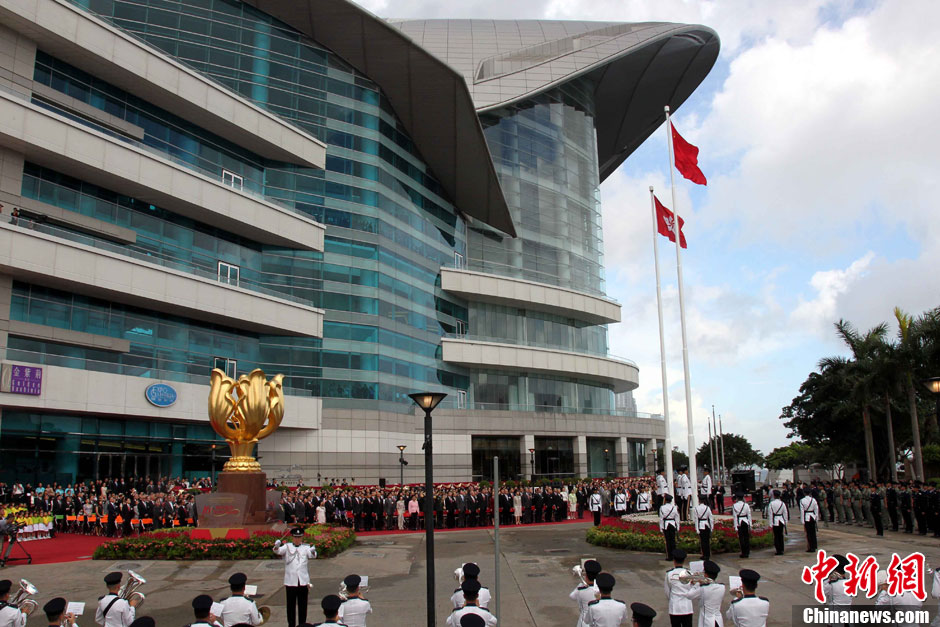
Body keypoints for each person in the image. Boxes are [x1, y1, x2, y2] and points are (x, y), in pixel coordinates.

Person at [274, 527, 317, 627]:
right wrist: (276, 546)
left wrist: (313, 551)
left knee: (303, 606)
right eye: (295, 537)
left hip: (303, 581)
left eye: (299, 537)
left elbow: (312, 555)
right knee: (290, 606)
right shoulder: (287, 546)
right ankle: (291, 625)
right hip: (291, 581)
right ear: (292, 537)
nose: (297, 539)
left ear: (302, 537)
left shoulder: (305, 547)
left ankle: (302, 624)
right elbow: (278, 551)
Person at [683, 560, 724, 627]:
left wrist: (697, 584)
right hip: (718, 621)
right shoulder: (722, 587)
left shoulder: (703, 589)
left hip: (706, 622)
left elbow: (689, 595)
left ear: (706, 575)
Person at [665, 548, 694, 627]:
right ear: (684, 560)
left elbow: (667, 591)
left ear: (674, 560)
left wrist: (672, 599)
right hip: (687, 607)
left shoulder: (669, 574)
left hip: (675, 607)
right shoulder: (690, 573)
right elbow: (693, 588)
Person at [569, 559, 602, 627]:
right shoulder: (602, 587)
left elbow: (572, 596)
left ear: (586, 575)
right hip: (599, 620)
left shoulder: (581, 588)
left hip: (585, 622)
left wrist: (581, 584)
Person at [659, 494, 680, 561]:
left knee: (668, 541)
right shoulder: (674, 507)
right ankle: (674, 555)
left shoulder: (662, 507)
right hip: (673, 524)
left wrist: (661, 527)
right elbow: (677, 518)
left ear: (665, 500)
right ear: (671, 500)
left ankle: (669, 556)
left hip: (666, 525)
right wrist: (678, 526)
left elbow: (661, 518)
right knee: (673, 540)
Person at [731, 493, 752, 559]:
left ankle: (743, 552)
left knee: (741, 538)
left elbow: (735, 516)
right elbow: (749, 515)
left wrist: (735, 526)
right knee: (746, 537)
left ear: (737, 498)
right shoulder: (746, 505)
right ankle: (747, 552)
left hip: (739, 522)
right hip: (745, 521)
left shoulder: (734, 505)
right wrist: (750, 524)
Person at [767, 490, 788, 556]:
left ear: (774, 496)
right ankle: (782, 549)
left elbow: (770, 514)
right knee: (781, 535)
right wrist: (785, 522)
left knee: (776, 536)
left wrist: (770, 524)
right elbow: (785, 513)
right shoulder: (782, 503)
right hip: (781, 520)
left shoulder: (771, 503)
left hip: (775, 520)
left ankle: (778, 549)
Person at [799, 487, 819, 552]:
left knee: (808, 533)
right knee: (813, 532)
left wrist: (802, 521)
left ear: (804, 493)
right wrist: (816, 518)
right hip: (812, 516)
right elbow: (816, 509)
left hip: (806, 517)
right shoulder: (813, 500)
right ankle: (814, 546)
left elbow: (802, 511)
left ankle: (810, 547)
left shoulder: (802, 500)